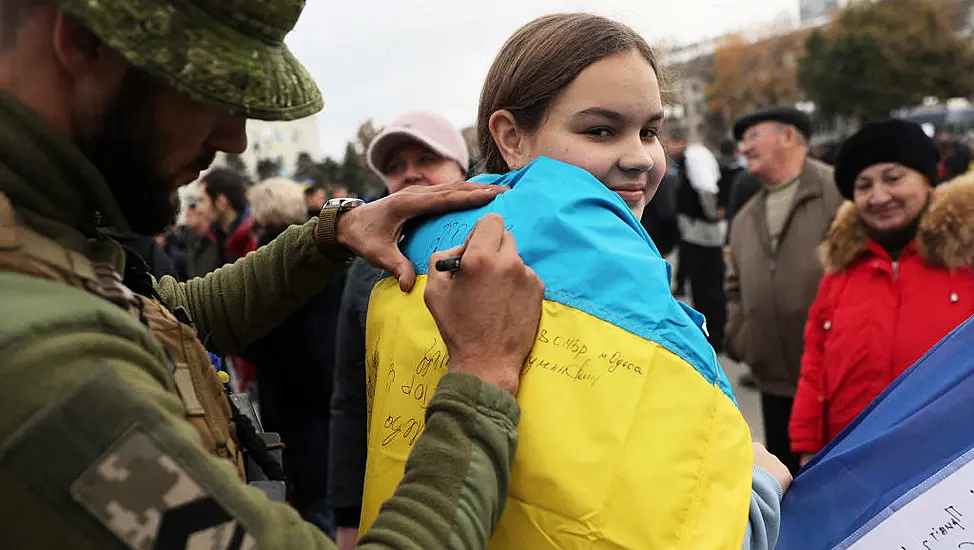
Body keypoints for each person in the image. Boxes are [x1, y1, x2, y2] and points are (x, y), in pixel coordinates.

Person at [0, 1, 544, 548]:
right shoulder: (40, 365)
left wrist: (333, 233)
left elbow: (172, 315)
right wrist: (482, 375)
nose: (234, 137)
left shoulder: (44, 239)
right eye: (212, 91)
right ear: (85, 40)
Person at [361, 13, 792, 550]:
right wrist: (759, 488)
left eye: (650, 131)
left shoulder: (409, 259)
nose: (639, 157)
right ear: (511, 137)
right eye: (600, 130)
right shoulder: (604, 287)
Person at [790, 119, 974, 464]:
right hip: (858, 460)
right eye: (864, 185)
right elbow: (815, 363)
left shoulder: (966, 256)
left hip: (953, 464)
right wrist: (807, 444)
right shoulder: (841, 270)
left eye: (893, 178)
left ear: (926, 178)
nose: (878, 196)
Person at [329, 110, 470, 550]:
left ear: (462, 168)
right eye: (395, 167)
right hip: (399, 492)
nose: (409, 173)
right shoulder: (365, 266)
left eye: (425, 157)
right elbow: (351, 398)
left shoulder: (504, 235)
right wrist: (348, 515)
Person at [725, 106, 842, 474]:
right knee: (788, 492)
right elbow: (733, 286)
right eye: (742, 141)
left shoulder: (838, 192)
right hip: (773, 384)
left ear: (789, 136)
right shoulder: (746, 216)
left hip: (835, 386)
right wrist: (742, 339)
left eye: (753, 137)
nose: (744, 149)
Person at [241, 177, 346, 534]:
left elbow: (252, 338)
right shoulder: (326, 249)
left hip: (287, 395)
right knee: (329, 492)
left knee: (305, 495)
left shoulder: (263, 262)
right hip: (329, 386)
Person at [667, 127, 727, 352]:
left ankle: (716, 336)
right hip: (696, 234)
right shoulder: (688, 159)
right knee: (701, 286)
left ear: (680, 141)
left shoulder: (694, 157)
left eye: (669, 143)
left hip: (703, 235)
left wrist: (712, 218)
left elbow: (706, 189)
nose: (667, 150)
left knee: (708, 286)